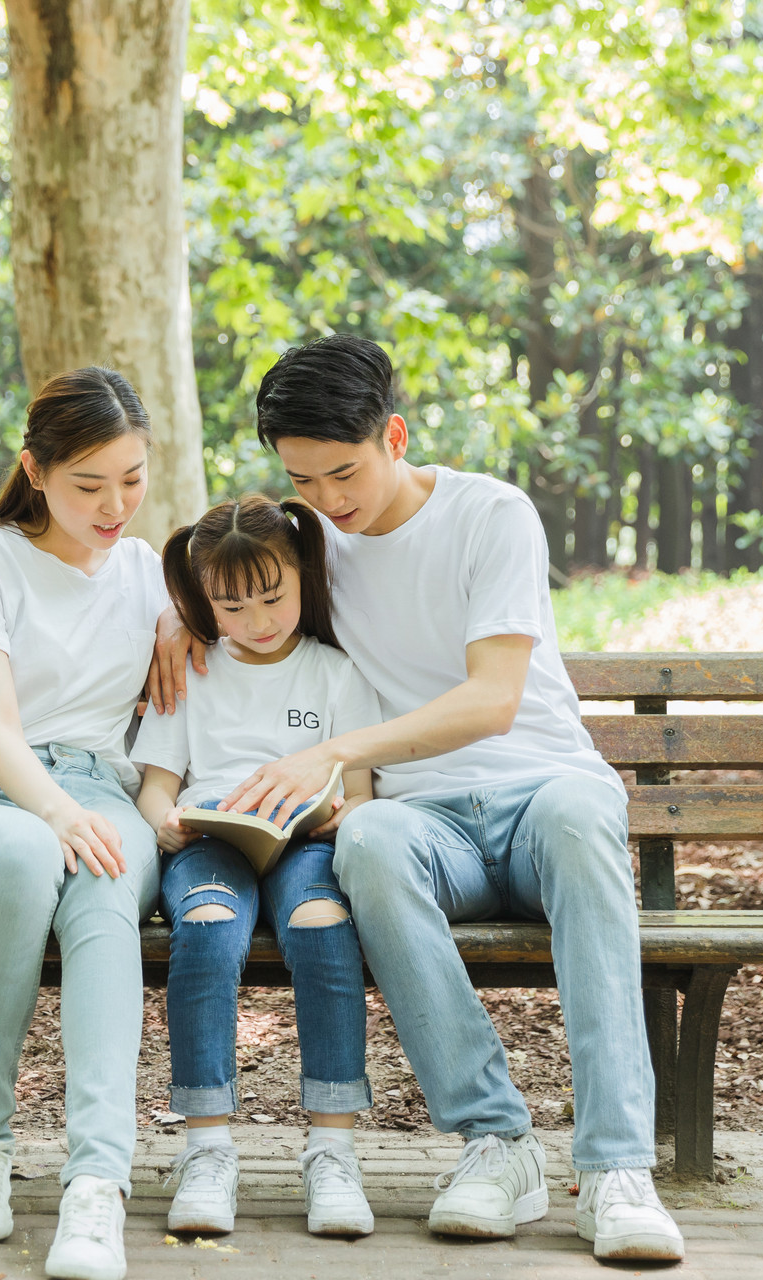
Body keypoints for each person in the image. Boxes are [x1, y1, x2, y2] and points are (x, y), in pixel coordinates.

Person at [159, 334, 686, 1263]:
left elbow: (493, 700)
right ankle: (496, 1142)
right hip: (422, 823)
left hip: (540, 793)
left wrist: (334, 749)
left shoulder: (492, 515)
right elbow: (239, 585)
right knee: (368, 845)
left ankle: (615, 1169)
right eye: (303, 479)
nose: (327, 500)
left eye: (344, 472)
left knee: (579, 818)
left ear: (394, 435)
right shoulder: (317, 541)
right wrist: (175, 618)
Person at [0, 366, 170, 1280]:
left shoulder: (148, 570)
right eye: (88, 484)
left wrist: (180, 624)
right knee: (26, 854)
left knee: (104, 885)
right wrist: (56, 814)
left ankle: (97, 1183)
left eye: (133, 479)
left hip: (101, 791)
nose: (114, 506)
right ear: (35, 470)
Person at [129, 495, 383, 1239]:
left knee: (324, 924)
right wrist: (165, 826)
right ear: (205, 601)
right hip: (211, 842)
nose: (258, 621)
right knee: (206, 928)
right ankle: (207, 1149)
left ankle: (332, 1151)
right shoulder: (195, 671)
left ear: (303, 576)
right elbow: (155, 788)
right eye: (233, 606)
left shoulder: (336, 673)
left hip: (307, 843)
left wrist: (335, 816)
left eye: (273, 598)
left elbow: (362, 793)